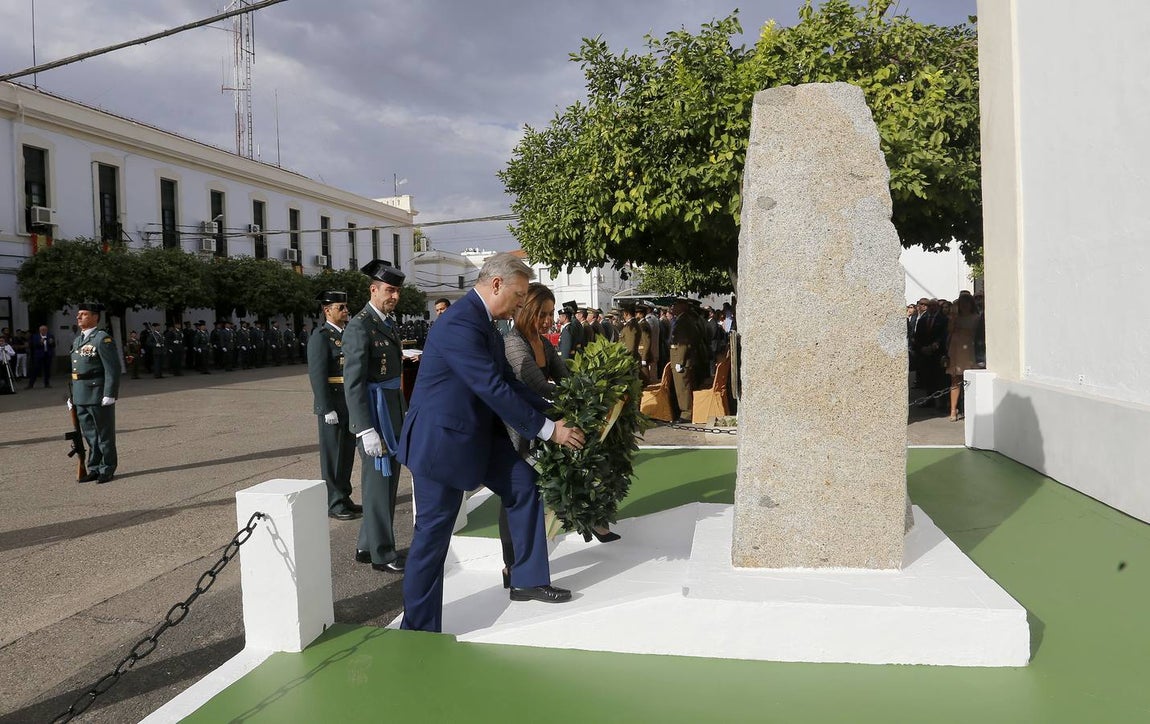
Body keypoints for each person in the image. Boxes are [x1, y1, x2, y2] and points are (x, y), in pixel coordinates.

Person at [398, 252, 586, 633]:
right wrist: (550, 431)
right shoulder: (459, 323)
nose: (521, 303)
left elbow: (510, 381)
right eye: (518, 295)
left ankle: (526, 578)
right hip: (443, 443)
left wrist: (553, 411)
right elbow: (492, 387)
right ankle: (418, 629)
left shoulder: (485, 323)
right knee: (433, 538)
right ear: (496, 284)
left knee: (523, 484)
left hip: (478, 436)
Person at [345, 260, 409, 574]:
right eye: (389, 289)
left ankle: (366, 545)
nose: (394, 295)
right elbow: (353, 382)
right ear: (373, 289)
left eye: (397, 290)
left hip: (391, 411)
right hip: (375, 416)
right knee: (380, 484)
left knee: (381, 483)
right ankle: (382, 554)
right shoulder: (360, 325)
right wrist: (364, 428)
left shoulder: (386, 322)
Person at [308, 290, 363, 521]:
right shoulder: (320, 337)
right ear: (327, 310)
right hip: (333, 402)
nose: (345, 311)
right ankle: (334, 501)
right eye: (340, 307)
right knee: (333, 455)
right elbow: (317, 374)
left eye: (345, 307)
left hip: (348, 400)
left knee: (347, 453)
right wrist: (325, 407)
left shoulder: (347, 333)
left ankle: (345, 496)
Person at [69, 303, 121, 483]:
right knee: (90, 435)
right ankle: (94, 467)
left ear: (95, 317)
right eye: (78, 314)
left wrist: (110, 393)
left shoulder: (102, 339)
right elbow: (76, 371)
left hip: (98, 394)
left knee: (104, 434)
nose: (79, 317)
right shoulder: (77, 340)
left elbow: (112, 369)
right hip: (81, 394)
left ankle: (107, 468)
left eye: (83, 314)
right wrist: (72, 396)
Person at [944, 294, 980, 421]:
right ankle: (953, 410)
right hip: (955, 348)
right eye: (962, 303)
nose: (964, 305)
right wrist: (953, 318)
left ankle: (968, 409)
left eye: (966, 303)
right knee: (955, 380)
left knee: (969, 380)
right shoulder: (955, 318)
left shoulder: (977, 318)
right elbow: (949, 330)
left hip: (969, 349)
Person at [27, 324, 56, 388]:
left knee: (47, 370)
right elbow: (33, 345)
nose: (44, 331)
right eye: (42, 330)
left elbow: (54, 345)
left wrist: (52, 343)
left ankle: (47, 383)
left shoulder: (50, 336)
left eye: (45, 330)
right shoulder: (35, 336)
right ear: (40, 330)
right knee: (35, 369)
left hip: (47, 355)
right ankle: (31, 384)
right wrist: (40, 343)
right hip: (38, 355)